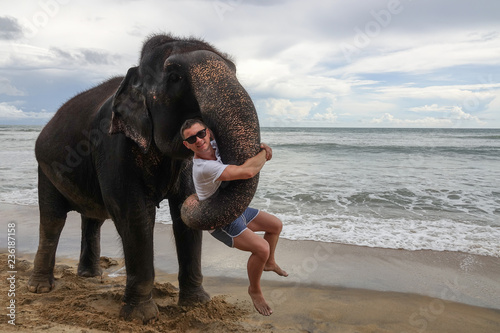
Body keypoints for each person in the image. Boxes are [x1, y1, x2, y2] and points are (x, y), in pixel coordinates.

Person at [180, 119, 288, 316]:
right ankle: (254, 289)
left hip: (232, 207)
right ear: (186, 144)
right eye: (192, 138)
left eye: (201, 133)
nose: (199, 140)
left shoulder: (215, 146)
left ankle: (270, 262)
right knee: (261, 248)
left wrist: (259, 147)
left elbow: (245, 153)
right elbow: (247, 172)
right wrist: (265, 153)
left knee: (275, 226)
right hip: (219, 219)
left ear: (208, 132)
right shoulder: (203, 167)